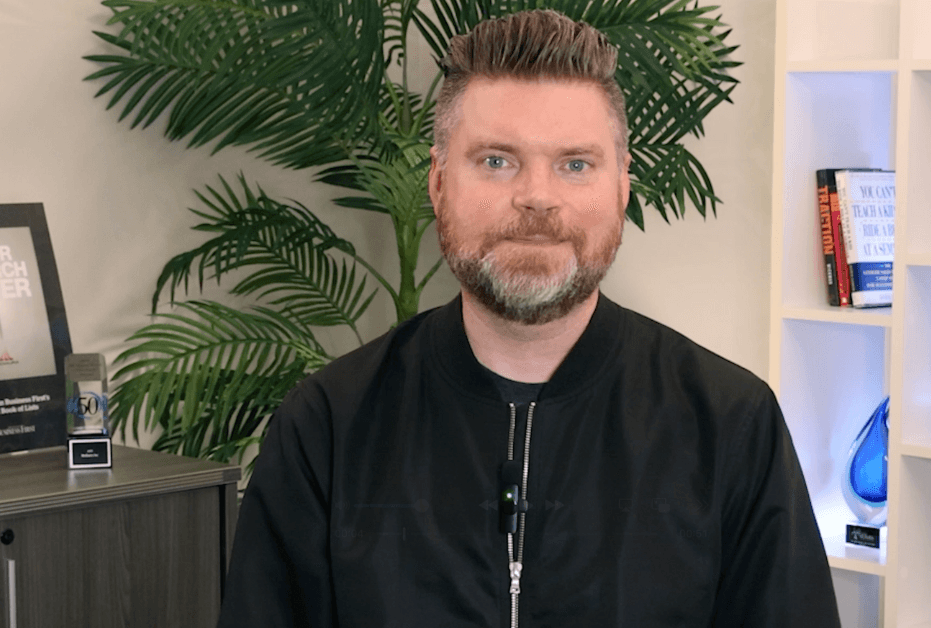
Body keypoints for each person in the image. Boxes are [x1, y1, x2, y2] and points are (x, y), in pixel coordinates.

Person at [217, 9, 841, 628]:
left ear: (622, 187)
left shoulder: (730, 424)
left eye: (575, 163)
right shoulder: (330, 424)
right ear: (438, 182)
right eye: (496, 160)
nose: (538, 196)